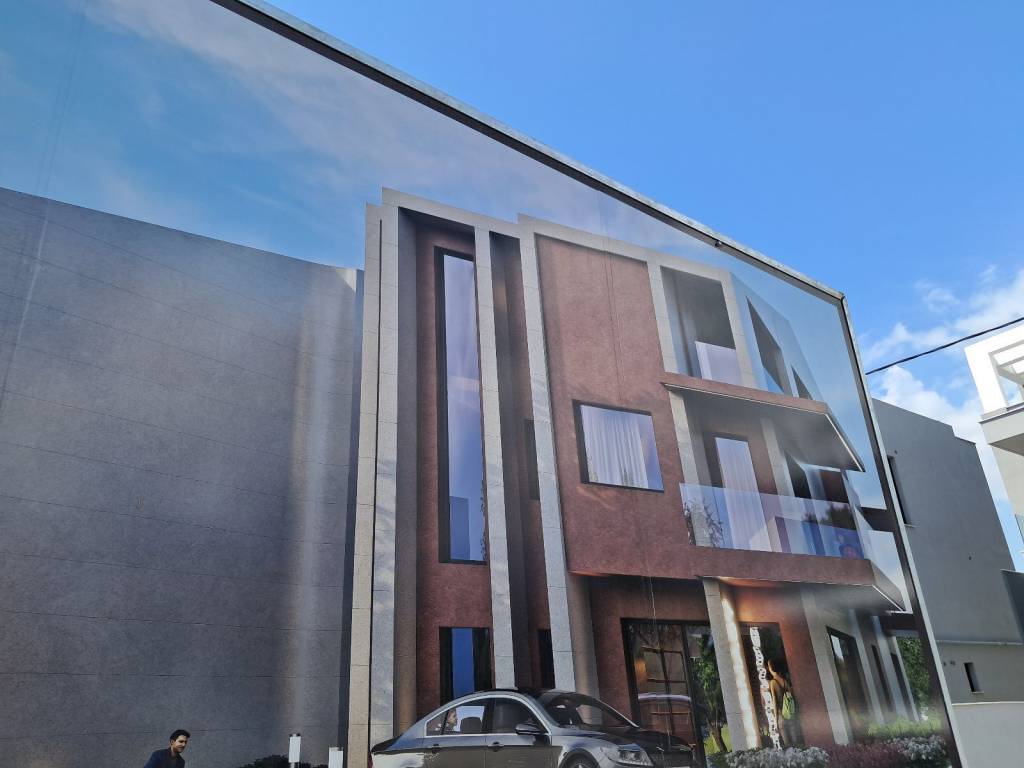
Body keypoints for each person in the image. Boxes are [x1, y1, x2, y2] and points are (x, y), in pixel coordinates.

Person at [767, 660, 798, 747]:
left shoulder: (773, 683)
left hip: (781, 716)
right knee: (795, 744)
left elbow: (775, 702)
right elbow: (791, 696)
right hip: (790, 714)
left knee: (787, 745)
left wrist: (775, 720)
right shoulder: (784, 681)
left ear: (771, 668)